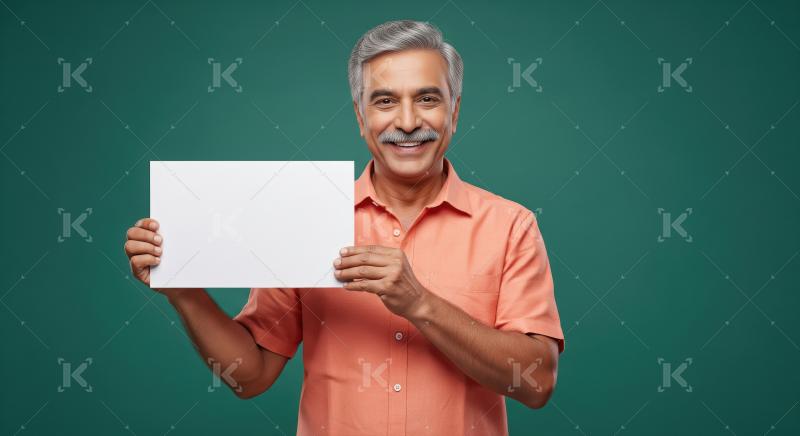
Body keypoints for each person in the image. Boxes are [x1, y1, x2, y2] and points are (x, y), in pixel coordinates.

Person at [124, 20, 564, 436]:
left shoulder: (511, 226)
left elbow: (537, 382)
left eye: (428, 99)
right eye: (385, 101)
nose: (408, 122)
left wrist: (419, 303)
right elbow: (250, 376)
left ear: (455, 110)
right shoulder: (303, 219)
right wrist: (183, 291)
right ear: (360, 115)